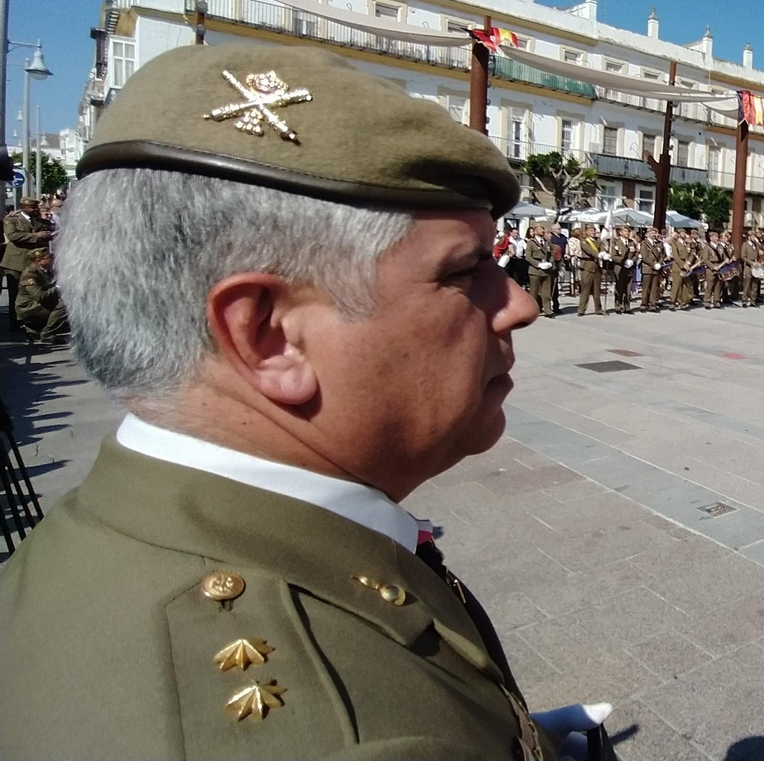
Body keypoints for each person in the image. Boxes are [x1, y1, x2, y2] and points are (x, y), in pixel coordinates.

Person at [0, 44, 613, 759]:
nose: (518, 306)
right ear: (269, 336)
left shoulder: (89, 538)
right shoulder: (357, 740)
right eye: (466, 270)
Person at [3, 197, 55, 330]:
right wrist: (36, 236)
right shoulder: (12, 220)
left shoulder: (39, 221)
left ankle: (35, 320)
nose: (35, 209)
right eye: (32, 207)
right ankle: (15, 322)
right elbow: (13, 236)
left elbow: (49, 230)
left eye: (36, 207)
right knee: (14, 294)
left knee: (37, 291)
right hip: (16, 263)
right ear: (23, 207)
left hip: (35, 263)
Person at [16, 247, 68, 342]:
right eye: (49, 258)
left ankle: (36, 329)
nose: (53, 259)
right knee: (64, 305)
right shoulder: (30, 275)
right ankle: (48, 334)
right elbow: (40, 296)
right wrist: (58, 287)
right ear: (39, 261)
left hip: (39, 304)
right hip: (29, 307)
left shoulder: (47, 270)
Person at [571, 224, 605, 316]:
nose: (593, 232)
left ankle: (598, 309)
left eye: (594, 230)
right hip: (587, 266)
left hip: (597, 266)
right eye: (590, 230)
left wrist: (604, 254)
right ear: (586, 232)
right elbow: (589, 250)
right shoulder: (584, 241)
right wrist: (598, 254)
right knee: (585, 289)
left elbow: (602, 249)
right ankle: (581, 310)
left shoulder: (598, 241)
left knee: (597, 290)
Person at [526, 224, 556, 315]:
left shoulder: (547, 242)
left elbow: (551, 254)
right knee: (534, 292)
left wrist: (550, 263)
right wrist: (538, 264)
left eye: (543, 229)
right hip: (535, 270)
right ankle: (532, 310)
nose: (542, 231)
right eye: (540, 229)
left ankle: (548, 310)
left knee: (546, 292)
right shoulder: (531, 243)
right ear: (534, 231)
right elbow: (528, 257)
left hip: (546, 270)